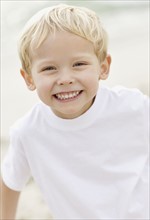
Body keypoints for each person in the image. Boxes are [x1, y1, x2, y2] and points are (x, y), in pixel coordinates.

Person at [0, 4, 149, 220]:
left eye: (79, 64)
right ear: (29, 78)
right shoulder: (28, 133)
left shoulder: (133, 107)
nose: (66, 78)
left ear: (103, 67)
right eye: (49, 68)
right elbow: (10, 180)